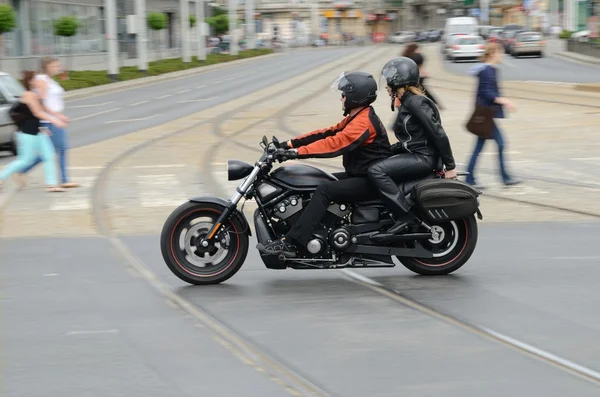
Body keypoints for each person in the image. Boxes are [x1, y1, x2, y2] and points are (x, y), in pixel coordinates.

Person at [256, 71, 392, 257]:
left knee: (325, 190)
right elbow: (327, 133)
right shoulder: (358, 116)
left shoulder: (363, 122)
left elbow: (334, 144)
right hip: (361, 176)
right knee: (317, 182)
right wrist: (289, 145)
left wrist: (294, 153)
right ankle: (319, 230)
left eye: (344, 94)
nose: (341, 98)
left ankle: (293, 242)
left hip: (371, 181)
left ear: (355, 96)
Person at [367, 57, 457, 235]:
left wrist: (451, 166)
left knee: (376, 171)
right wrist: (387, 150)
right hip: (416, 154)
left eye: (388, 82)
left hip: (424, 158)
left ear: (398, 81)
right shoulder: (408, 102)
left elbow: (438, 133)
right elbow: (413, 138)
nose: (386, 86)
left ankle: (404, 216)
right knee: (376, 164)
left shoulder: (416, 102)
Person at [16, 57, 78, 189]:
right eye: (55, 65)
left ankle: (22, 170)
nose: (58, 68)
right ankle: (64, 180)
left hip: (52, 120)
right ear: (48, 66)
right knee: (60, 149)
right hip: (49, 121)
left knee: (51, 151)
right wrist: (57, 116)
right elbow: (41, 103)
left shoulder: (48, 80)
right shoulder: (42, 81)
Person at [0, 71, 67, 193]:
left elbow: (44, 110)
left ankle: (51, 185)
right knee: (25, 160)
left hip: (38, 132)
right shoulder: (28, 95)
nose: (39, 81)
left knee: (49, 156)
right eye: (36, 79)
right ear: (30, 81)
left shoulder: (35, 95)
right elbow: (38, 113)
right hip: (26, 133)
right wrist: (55, 121)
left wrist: (54, 119)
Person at [465, 43, 520, 188]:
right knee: (501, 144)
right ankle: (504, 178)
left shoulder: (490, 69)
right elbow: (486, 92)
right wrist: (505, 101)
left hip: (486, 114)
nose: (501, 55)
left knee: (480, 146)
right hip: (485, 115)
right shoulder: (487, 71)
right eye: (500, 53)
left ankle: (470, 179)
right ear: (492, 54)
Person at [401, 43, 443, 110]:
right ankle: (434, 104)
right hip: (417, 78)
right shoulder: (416, 56)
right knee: (423, 92)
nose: (420, 50)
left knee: (421, 92)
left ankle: (433, 104)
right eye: (418, 49)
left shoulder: (407, 57)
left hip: (412, 79)